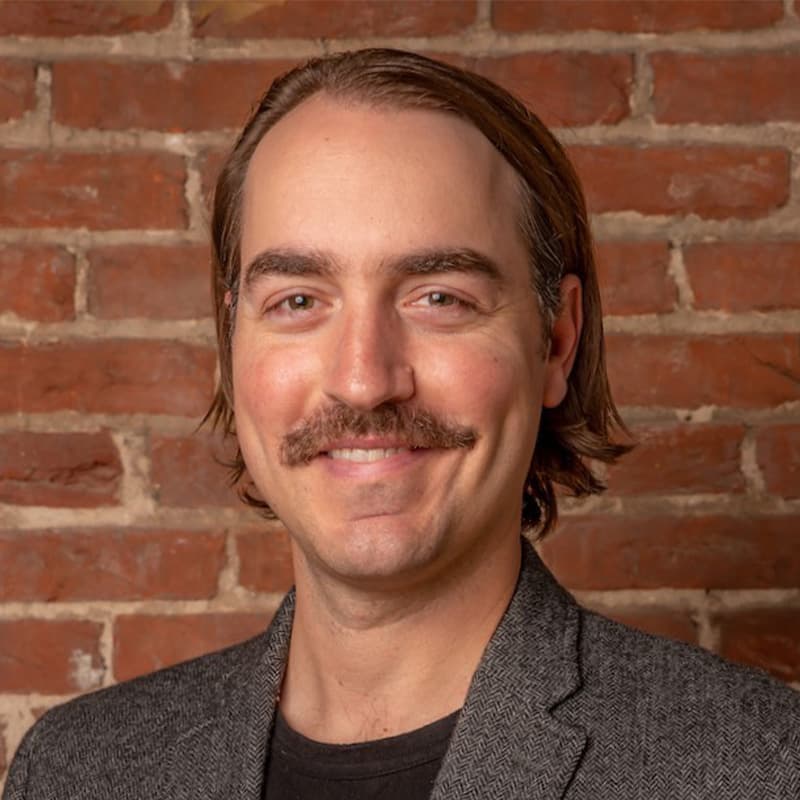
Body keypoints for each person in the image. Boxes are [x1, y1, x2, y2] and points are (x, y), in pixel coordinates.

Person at [4, 48, 799, 800]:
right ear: (231, 343)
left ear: (556, 341)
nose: (363, 378)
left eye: (439, 297)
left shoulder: (756, 767)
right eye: (299, 301)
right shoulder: (81, 769)